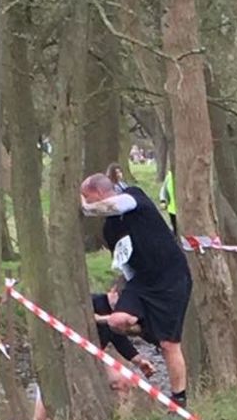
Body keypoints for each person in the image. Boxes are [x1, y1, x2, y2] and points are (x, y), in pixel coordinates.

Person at [80, 166, 191, 403]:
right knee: (118, 321)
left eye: (89, 199)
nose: (90, 206)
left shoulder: (134, 197)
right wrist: (127, 291)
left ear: (99, 194)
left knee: (169, 344)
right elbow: (124, 262)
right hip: (141, 281)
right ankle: (149, 328)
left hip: (172, 277)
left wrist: (84, 208)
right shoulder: (110, 228)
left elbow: (117, 205)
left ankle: (179, 399)